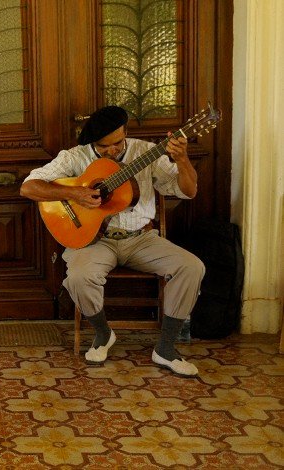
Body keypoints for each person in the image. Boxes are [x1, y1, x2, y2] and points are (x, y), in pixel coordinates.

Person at [20, 105, 205, 377]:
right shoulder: (75, 157)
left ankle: (165, 348)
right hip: (96, 241)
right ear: (93, 143)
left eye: (118, 143)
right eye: (104, 147)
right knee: (79, 277)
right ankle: (103, 333)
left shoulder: (146, 152)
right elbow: (29, 187)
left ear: (125, 132)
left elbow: (188, 191)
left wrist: (183, 160)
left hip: (141, 239)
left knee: (192, 267)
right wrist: (75, 194)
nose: (113, 150)